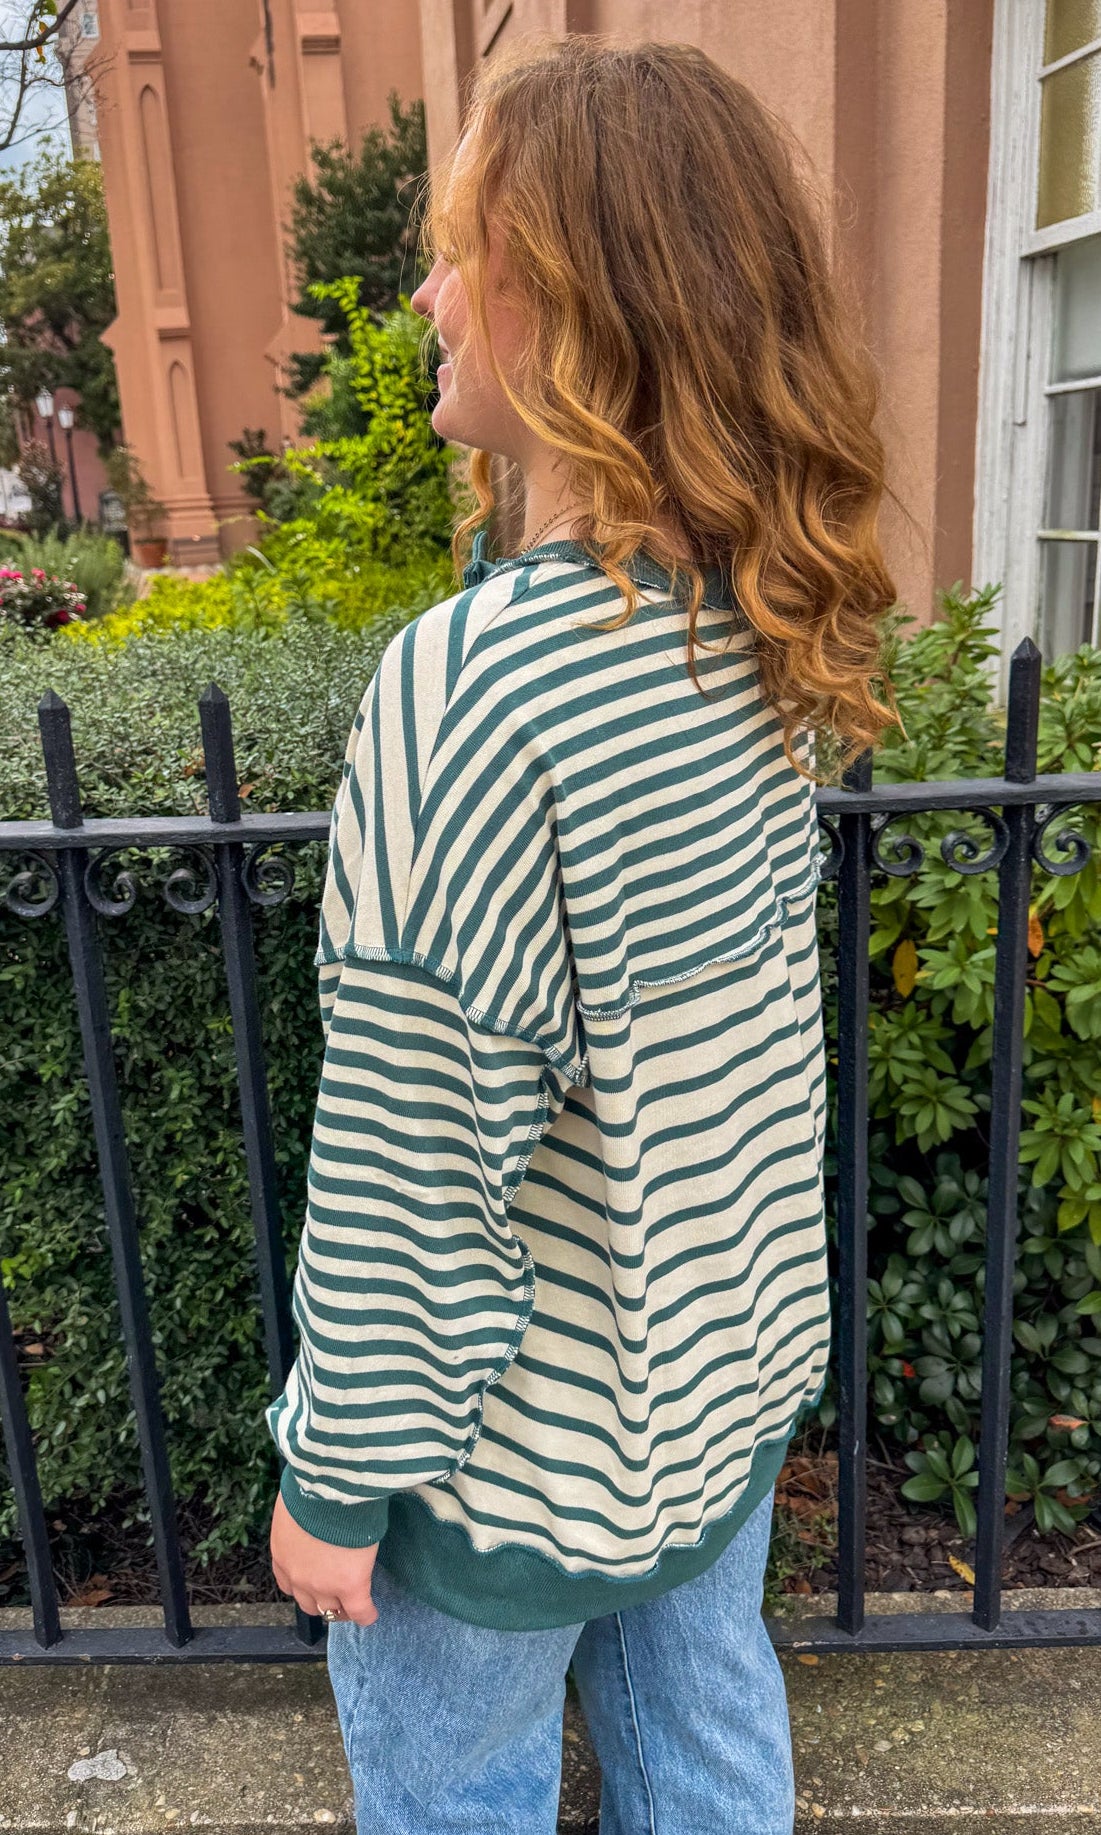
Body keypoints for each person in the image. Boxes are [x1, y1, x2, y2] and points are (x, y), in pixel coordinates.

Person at [267, 36, 900, 1834]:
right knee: (710, 1769)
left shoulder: (474, 691)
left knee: (453, 1795)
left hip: (506, 1469)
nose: (426, 294)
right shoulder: (753, 632)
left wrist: (334, 1480)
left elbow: (411, 1162)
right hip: (715, 1387)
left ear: (566, 304)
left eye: (460, 249)